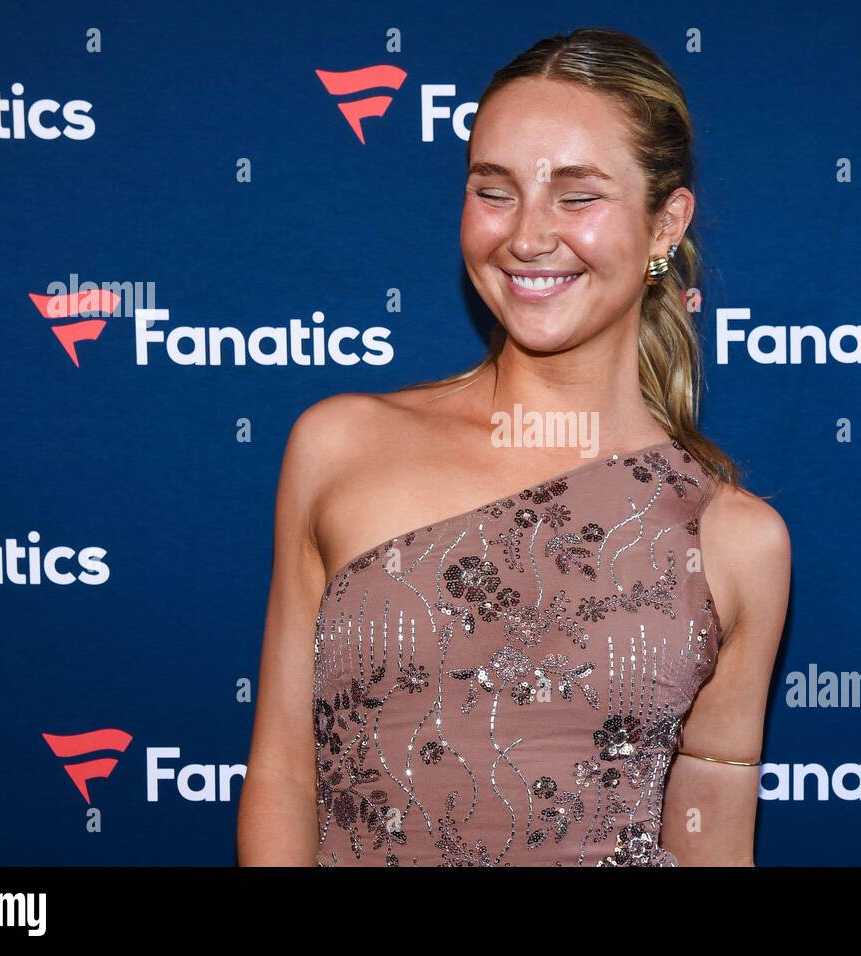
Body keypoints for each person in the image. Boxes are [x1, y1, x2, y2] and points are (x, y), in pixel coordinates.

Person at [237, 27, 789, 866]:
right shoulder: (342, 447)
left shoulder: (736, 538)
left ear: (665, 224)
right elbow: (283, 773)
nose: (528, 236)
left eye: (577, 196)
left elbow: (713, 841)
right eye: (494, 191)